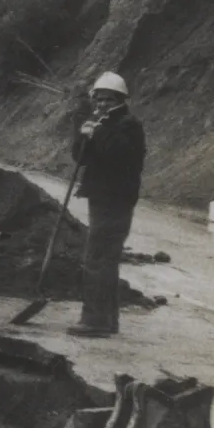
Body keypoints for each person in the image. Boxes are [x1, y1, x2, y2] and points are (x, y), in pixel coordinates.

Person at [69, 71, 146, 337]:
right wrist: (82, 136)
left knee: (98, 259)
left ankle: (95, 321)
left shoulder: (128, 126)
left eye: (108, 100)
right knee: (105, 259)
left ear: (120, 99)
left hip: (116, 202)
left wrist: (97, 131)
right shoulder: (101, 122)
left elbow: (116, 153)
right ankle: (108, 320)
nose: (102, 104)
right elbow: (81, 158)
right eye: (98, 99)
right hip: (101, 199)